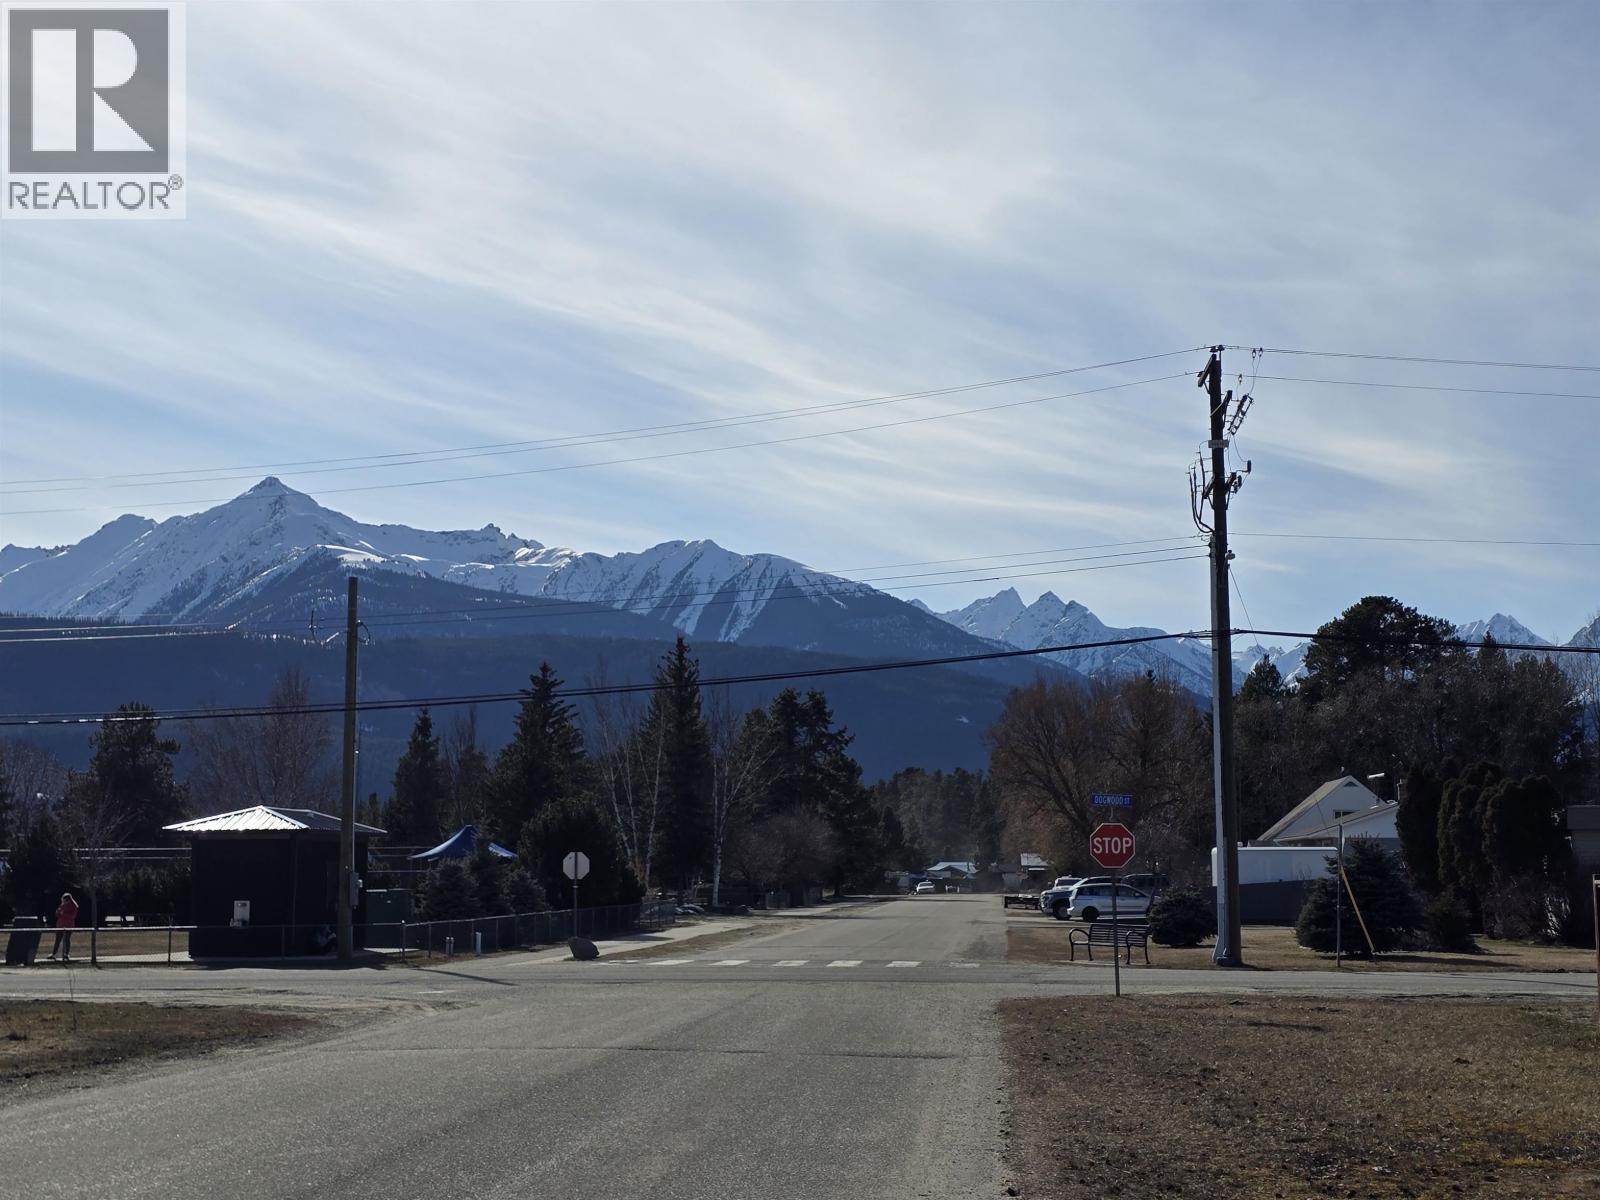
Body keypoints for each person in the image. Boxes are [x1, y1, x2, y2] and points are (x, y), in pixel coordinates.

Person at [47, 892, 78, 962]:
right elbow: (58, 914)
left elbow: (72, 916)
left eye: (64, 899)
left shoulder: (73, 906)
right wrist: (58, 912)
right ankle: (54, 954)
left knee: (67, 939)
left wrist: (64, 914)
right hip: (60, 925)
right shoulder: (62, 905)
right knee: (57, 940)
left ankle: (66, 954)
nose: (63, 901)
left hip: (69, 925)